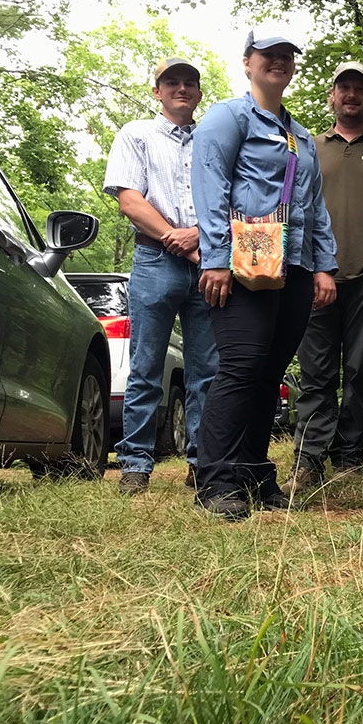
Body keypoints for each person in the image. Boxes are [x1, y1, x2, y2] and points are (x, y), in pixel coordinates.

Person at [191, 24, 338, 519]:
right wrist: (215, 259)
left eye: (286, 55)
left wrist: (323, 268)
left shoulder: (301, 137)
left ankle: (253, 474)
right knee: (241, 367)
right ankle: (216, 479)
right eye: (267, 53)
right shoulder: (228, 117)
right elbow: (210, 188)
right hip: (243, 264)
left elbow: (315, 207)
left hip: (294, 267)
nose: (279, 60)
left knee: (269, 372)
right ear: (248, 63)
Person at [103, 57, 219, 495]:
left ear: (199, 93)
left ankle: (202, 462)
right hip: (155, 261)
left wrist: (197, 238)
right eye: (172, 82)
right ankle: (135, 462)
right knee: (146, 365)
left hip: (208, 262)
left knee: (206, 368)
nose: (181, 89)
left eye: (190, 82)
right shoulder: (136, 134)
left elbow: (227, 198)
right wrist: (174, 236)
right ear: (157, 91)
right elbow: (129, 200)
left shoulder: (213, 138)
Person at [287, 61, 363, 493]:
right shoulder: (308, 146)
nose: (351, 94)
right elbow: (295, 208)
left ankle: (349, 457)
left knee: (358, 370)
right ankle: (308, 459)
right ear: (332, 97)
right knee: (316, 373)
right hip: (316, 276)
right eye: (344, 88)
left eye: (360, 88)